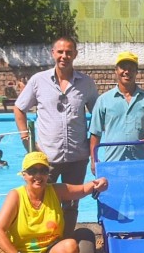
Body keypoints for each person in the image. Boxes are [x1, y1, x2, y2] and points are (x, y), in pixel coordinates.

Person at [14, 37, 99, 237]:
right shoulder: (38, 81)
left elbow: (98, 115)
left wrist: (93, 145)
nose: (64, 56)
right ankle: (43, 242)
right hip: (46, 158)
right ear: (53, 53)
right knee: (39, 201)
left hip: (77, 157)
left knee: (71, 205)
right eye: (60, 52)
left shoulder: (86, 83)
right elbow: (19, 108)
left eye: (69, 52)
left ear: (75, 54)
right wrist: (26, 139)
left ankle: (66, 241)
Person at [89, 51, 144, 168]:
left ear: (136, 72)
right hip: (113, 162)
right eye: (123, 68)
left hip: (142, 161)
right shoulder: (103, 100)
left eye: (131, 68)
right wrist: (94, 160)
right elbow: (95, 133)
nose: (127, 72)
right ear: (116, 70)